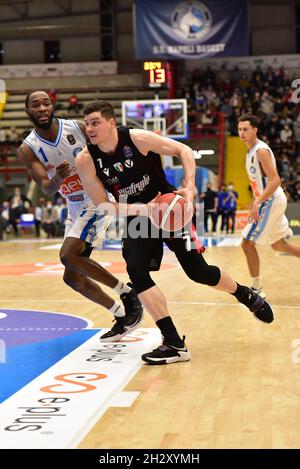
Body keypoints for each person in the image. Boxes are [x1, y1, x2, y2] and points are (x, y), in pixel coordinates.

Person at [75, 100, 274, 366]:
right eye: (87, 123)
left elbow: (183, 150)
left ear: (111, 123)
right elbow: (103, 204)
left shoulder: (137, 139)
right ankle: (173, 342)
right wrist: (143, 210)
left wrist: (190, 187)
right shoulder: (86, 159)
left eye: (95, 122)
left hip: (170, 208)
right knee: (136, 270)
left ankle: (245, 294)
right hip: (138, 216)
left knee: (198, 272)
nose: (90, 128)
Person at [18, 91, 143, 341]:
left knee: (67, 255)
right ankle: (121, 315)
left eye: (46, 103)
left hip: (96, 198)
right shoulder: (28, 148)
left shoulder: (75, 127)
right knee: (72, 277)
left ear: (52, 106)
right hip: (73, 206)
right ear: (28, 111)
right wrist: (58, 178)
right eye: (36, 105)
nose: (42, 108)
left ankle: (128, 294)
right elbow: (46, 188)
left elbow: (108, 149)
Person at [238, 113, 300, 297]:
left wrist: (258, 201)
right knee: (279, 245)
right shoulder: (249, 152)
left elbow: (275, 180)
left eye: (245, 129)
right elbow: (257, 184)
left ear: (255, 130)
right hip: (269, 199)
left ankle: (256, 289)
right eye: (240, 129)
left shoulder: (260, 151)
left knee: (247, 243)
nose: (241, 132)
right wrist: (253, 203)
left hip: (270, 200)